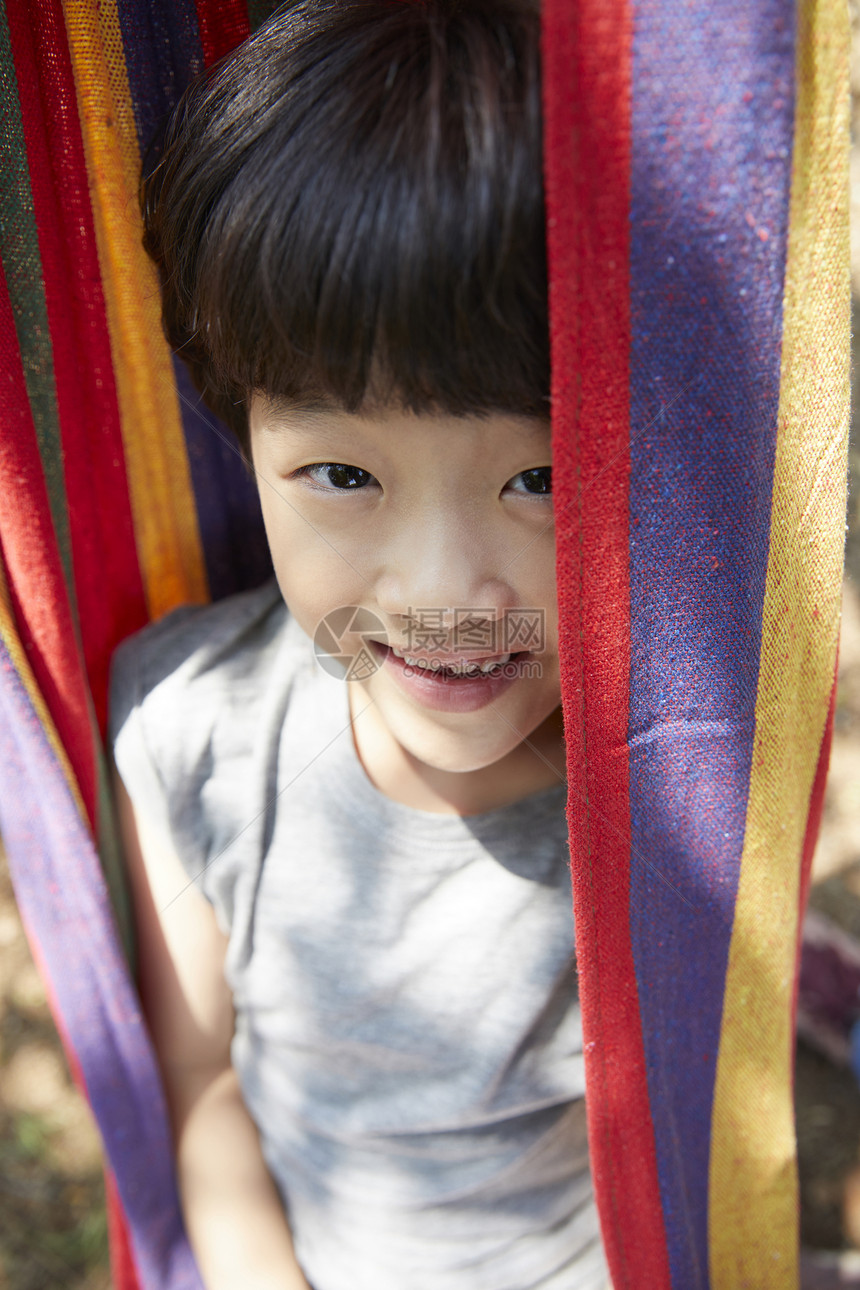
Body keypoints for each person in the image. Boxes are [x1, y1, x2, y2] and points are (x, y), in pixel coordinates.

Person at [109, 2, 610, 1286]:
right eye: (340, 471)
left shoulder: (676, 768)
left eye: (544, 475)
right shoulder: (191, 734)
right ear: (246, 443)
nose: (447, 590)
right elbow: (201, 1082)